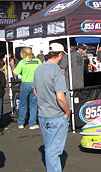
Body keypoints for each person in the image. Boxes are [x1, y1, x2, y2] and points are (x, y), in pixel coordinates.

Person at [33, 43, 71, 172]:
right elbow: (60, 96)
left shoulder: (39, 69)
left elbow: (35, 91)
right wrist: (67, 112)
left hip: (43, 114)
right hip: (56, 115)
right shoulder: (56, 70)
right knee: (54, 151)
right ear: (60, 54)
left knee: (49, 148)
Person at [13, 47, 42, 130]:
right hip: (35, 83)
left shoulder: (22, 62)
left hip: (25, 83)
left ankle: (21, 122)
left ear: (24, 54)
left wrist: (12, 66)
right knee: (33, 104)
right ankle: (32, 123)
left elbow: (15, 73)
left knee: (23, 104)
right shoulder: (38, 61)